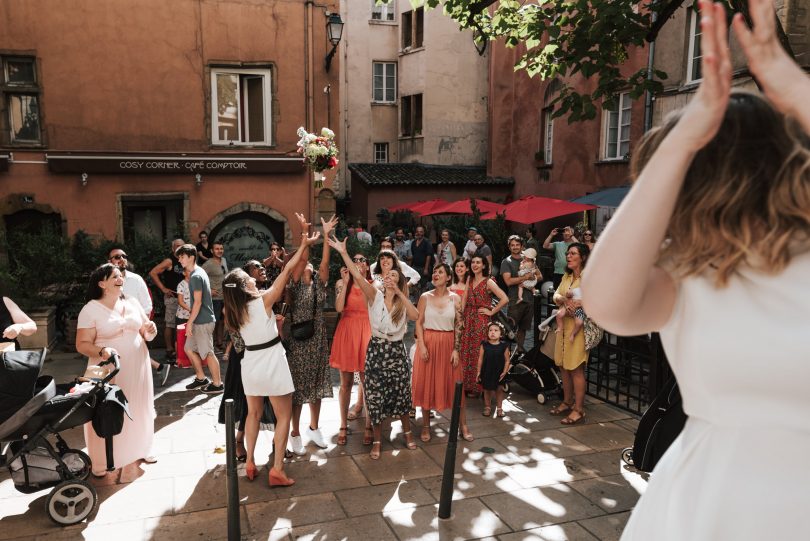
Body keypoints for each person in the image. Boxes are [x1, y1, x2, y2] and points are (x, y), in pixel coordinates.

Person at [583, 1, 810, 538]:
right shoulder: (687, 274)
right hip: (706, 509)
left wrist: (791, 85)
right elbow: (605, 303)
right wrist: (684, 138)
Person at [222, 212, 319, 487]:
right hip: (272, 360)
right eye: (247, 278)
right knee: (283, 415)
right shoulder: (262, 301)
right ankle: (277, 468)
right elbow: (287, 272)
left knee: (252, 414)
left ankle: (250, 463)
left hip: (250, 362)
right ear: (244, 285)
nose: (252, 279)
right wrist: (304, 242)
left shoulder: (233, 311)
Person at [328, 235, 420, 460]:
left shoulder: (401, 301)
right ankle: (377, 440)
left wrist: (399, 292)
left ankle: (407, 433)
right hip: (377, 349)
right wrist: (343, 252)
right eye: (387, 275)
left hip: (396, 350)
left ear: (399, 281)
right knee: (375, 395)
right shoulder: (374, 296)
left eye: (394, 276)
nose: (389, 278)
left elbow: (416, 315)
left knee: (402, 394)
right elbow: (358, 276)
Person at [75, 264, 158, 477]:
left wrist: (150, 331)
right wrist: (102, 350)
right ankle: (102, 461)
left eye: (121, 275)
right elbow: (82, 344)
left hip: (138, 364)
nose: (120, 278)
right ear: (102, 283)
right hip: (107, 369)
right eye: (114, 276)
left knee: (140, 405)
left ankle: (142, 448)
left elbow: (144, 330)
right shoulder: (90, 309)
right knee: (107, 409)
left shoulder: (132, 302)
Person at [285, 215, 338, 455]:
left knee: (317, 385)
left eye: (310, 265)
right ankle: (294, 432)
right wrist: (304, 233)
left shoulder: (319, 283)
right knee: (297, 388)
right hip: (298, 340)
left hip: (317, 339)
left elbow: (325, 262)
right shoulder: (295, 284)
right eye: (304, 264)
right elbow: (303, 256)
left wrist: (326, 235)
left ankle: (314, 428)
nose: (308, 265)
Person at [413, 263, 472, 442]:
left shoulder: (455, 299)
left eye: (440, 272)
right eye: (434, 271)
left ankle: (463, 425)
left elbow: (459, 325)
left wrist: (456, 349)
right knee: (426, 384)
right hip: (429, 342)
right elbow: (418, 322)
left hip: (448, 344)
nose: (435, 274)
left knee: (456, 386)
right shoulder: (424, 297)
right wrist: (421, 345)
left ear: (448, 278)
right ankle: (425, 426)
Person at [329, 251, 374, 446]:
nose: (357, 263)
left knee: (366, 381)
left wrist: (359, 280)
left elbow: (367, 305)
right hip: (347, 331)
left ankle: (369, 426)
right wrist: (346, 282)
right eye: (354, 260)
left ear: (367, 265)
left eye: (361, 260)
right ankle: (342, 425)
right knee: (345, 383)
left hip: (365, 330)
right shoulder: (341, 284)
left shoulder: (373, 285)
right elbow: (338, 308)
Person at [108, 247, 170, 384]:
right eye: (117, 257)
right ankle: (159, 367)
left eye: (124, 256)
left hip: (136, 327)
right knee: (127, 356)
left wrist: (143, 326)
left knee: (133, 355)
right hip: (115, 328)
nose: (122, 259)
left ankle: (152, 373)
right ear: (110, 261)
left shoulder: (136, 280)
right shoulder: (106, 282)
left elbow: (147, 305)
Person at [550, 243, 590, 425]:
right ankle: (567, 401)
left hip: (579, 329)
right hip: (563, 328)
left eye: (573, 253)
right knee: (563, 366)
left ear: (582, 257)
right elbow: (556, 295)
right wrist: (564, 300)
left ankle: (579, 409)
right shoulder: (566, 276)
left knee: (576, 368)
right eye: (568, 253)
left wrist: (580, 303)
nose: (568, 256)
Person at [459, 255, 509, 398]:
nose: (475, 265)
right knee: (465, 350)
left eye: (478, 263)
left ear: (484, 266)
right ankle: (466, 385)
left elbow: (505, 298)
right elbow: (463, 301)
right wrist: (460, 317)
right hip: (468, 318)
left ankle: (478, 386)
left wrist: (492, 311)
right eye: (473, 262)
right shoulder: (469, 279)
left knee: (478, 352)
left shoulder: (488, 282)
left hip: (481, 320)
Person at [177, 244, 223, 394]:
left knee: (208, 353)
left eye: (182, 256)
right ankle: (201, 378)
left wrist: (189, 323)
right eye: (179, 257)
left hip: (202, 321)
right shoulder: (199, 271)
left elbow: (197, 302)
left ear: (191, 257)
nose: (180, 260)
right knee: (189, 349)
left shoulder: (196, 275)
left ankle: (217, 384)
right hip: (200, 320)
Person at [500, 236, 543, 353]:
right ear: (509, 247)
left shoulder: (529, 258)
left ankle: (519, 351)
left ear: (522, 246)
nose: (515, 247)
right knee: (510, 329)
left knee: (523, 328)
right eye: (512, 245)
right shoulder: (506, 262)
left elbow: (540, 276)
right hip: (515, 300)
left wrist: (531, 279)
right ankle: (506, 354)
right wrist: (525, 277)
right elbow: (508, 281)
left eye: (517, 245)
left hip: (529, 299)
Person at [149, 238, 185, 362]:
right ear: (172, 248)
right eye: (177, 246)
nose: (180, 248)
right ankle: (169, 350)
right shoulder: (170, 261)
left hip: (185, 298)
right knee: (170, 324)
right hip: (173, 298)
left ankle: (180, 349)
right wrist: (163, 288)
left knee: (181, 324)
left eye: (182, 246)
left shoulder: (185, 259)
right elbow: (153, 272)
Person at [477, 322, 511, 418]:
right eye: (490, 330)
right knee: (487, 390)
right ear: (487, 333)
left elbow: (507, 361)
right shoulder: (484, 345)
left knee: (499, 389)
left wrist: (504, 371)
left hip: (499, 372)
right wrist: (479, 371)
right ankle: (487, 407)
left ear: (501, 334)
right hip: (486, 371)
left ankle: (499, 408)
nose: (493, 332)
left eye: (496, 330)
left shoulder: (504, 346)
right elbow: (480, 359)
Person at [201, 241, 228, 349]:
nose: (219, 251)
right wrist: (208, 290)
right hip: (214, 298)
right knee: (213, 323)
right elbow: (198, 277)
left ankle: (219, 343)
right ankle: (209, 346)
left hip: (224, 297)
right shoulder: (208, 263)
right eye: (217, 249)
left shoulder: (224, 260)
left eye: (221, 248)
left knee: (221, 322)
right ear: (212, 251)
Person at [410, 226, 433, 291]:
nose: (419, 233)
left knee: (423, 285)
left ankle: (423, 298)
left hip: (423, 267)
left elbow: (429, 256)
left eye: (421, 232)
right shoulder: (413, 242)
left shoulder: (427, 242)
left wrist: (426, 269)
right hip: (415, 266)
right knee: (414, 283)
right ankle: (416, 298)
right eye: (417, 231)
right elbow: (413, 255)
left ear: (423, 233)